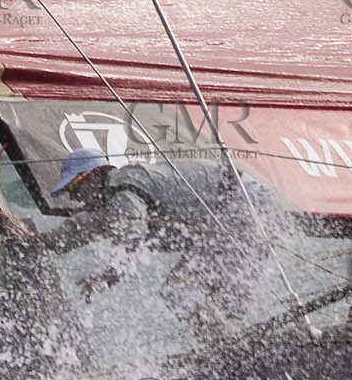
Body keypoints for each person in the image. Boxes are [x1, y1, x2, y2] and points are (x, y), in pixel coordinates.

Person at [42, 147, 283, 342]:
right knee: (222, 304)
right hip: (253, 200)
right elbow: (78, 230)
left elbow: (134, 241)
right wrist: (33, 240)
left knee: (179, 290)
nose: (73, 197)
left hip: (243, 203)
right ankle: (247, 345)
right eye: (68, 192)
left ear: (95, 175)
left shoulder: (124, 189)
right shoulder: (114, 199)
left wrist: (105, 278)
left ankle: (230, 349)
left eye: (74, 186)